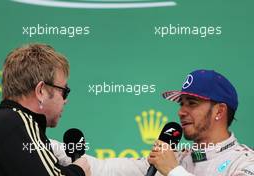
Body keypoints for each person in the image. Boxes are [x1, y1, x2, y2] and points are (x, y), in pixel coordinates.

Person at [51, 69, 254, 176]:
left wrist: (173, 171)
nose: (181, 111)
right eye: (181, 103)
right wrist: (41, 142)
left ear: (219, 111)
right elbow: (105, 169)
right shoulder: (174, 157)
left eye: (192, 103)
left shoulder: (245, 162)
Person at [0, 44, 91, 176]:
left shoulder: (5, 122)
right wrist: (80, 171)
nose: (65, 100)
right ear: (41, 91)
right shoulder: (16, 122)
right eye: (64, 91)